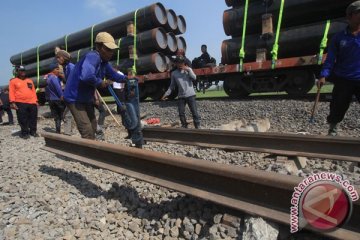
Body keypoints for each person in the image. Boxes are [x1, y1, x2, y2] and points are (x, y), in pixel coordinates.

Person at [63, 32, 126, 140]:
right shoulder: (93, 56)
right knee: (87, 131)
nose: (111, 53)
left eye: (112, 50)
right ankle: (88, 154)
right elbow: (86, 76)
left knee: (93, 128)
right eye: (108, 49)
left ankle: (91, 150)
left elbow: (114, 75)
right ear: (98, 46)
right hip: (75, 98)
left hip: (86, 98)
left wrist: (128, 78)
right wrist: (100, 82)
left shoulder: (104, 63)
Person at [317, 1, 360, 136]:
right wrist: (323, 75)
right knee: (337, 105)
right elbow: (330, 59)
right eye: (359, 13)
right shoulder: (339, 38)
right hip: (344, 78)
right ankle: (333, 130)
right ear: (350, 16)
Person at [161, 55, 201, 129]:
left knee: (194, 112)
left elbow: (194, 78)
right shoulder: (174, 74)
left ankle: (197, 126)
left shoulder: (188, 69)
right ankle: (184, 125)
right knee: (181, 113)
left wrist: (188, 70)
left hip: (190, 94)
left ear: (183, 63)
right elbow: (172, 86)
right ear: (176, 63)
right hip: (181, 96)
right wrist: (166, 94)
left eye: (181, 62)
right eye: (178, 63)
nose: (180, 64)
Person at [9, 65, 38, 139]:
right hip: (20, 102)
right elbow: (11, 92)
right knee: (22, 118)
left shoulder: (29, 80)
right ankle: (24, 133)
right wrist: (12, 102)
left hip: (32, 102)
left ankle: (33, 131)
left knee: (33, 118)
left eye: (23, 70)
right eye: (21, 70)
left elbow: (33, 91)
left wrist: (36, 100)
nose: (23, 72)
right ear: (17, 72)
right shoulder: (13, 81)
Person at [55, 49, 75, 136]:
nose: (57, 60)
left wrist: (66, 94)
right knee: (67, 115)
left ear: (63, 58)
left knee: (68, 115)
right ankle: (68, 132)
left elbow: (72, 83)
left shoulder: (70, 67)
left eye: (58, 58)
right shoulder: (66, 67)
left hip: (73, 95)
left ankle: (68, 133)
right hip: (71, 94)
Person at [45, 63, 65, 133]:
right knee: (63, 115)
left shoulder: (48, 78)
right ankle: (67, 130)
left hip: (51, 100)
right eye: (57, 69)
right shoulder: (54, 78)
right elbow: (58, 88)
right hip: (58, 99)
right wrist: (61, 96)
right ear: (53, 70)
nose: (58, 70)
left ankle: (57, 131)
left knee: (56, 117)